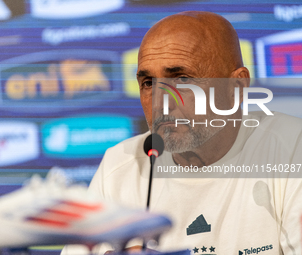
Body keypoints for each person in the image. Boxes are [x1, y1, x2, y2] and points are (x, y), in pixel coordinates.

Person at [63, 11, 302, 255]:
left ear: (236, 87)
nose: (160, 103)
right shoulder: (120, 167)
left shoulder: (293, 149)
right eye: (148, 83)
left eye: (182, 79)